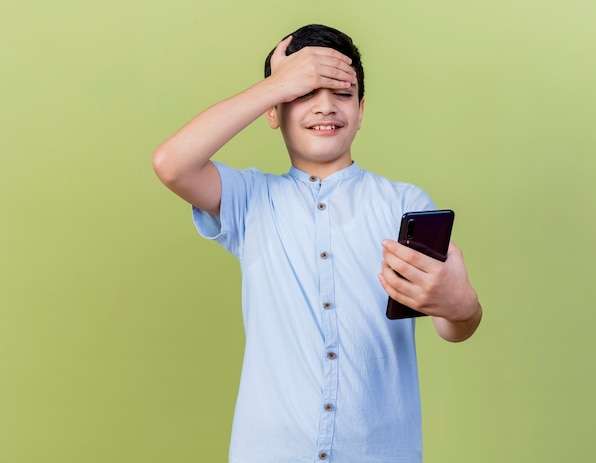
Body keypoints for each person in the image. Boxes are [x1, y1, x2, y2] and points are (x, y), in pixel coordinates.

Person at [153, 23, 482, 463]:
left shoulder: (404, 204)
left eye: (341, 93)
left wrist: (461, 307)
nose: (325, 106)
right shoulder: (250, 200)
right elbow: (171, 164)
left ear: (361, 110)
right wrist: (278, 83)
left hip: (380, 452)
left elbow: (451, 323)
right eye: (305, 92)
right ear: (274, 109)